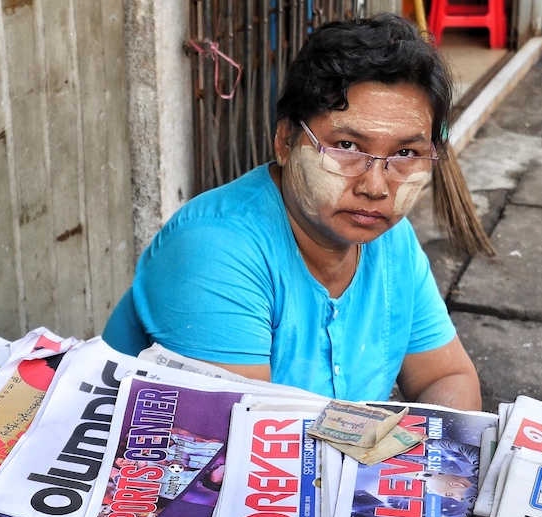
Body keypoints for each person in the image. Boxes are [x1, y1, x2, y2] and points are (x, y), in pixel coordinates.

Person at [102, 15, 480, 409]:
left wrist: (443, 465)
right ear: (285, 140)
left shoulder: (390, 239)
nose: (376, 186)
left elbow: (446, 375)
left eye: (405, 154)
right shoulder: (214, 251)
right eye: (347, 146)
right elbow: (233, 448)